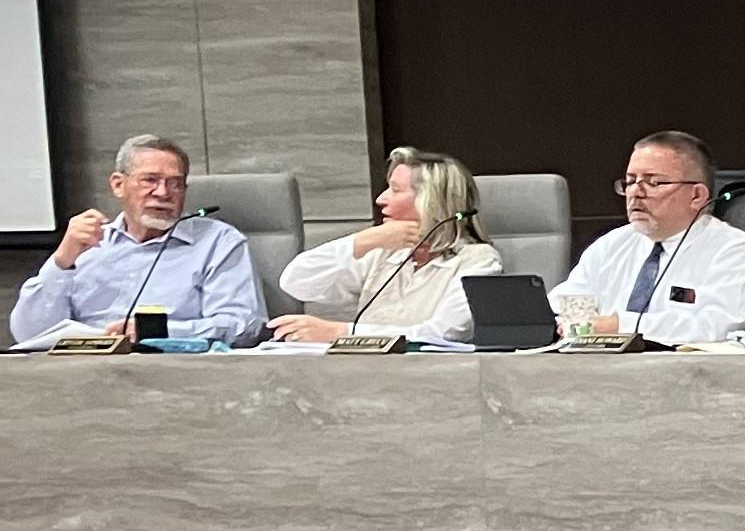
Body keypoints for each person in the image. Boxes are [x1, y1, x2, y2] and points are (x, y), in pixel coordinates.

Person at [12, 135, 260, 346]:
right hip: (83, 370)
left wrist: (155, 331)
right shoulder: (87, 244)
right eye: (150, 180)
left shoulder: (217, 242)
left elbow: (243, 325)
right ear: (118, 185)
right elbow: (29, 335)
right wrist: (61, 262)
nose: (163, 193)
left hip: (175, 368)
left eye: (175, 184)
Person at [550, 131, 745, 344]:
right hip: (604, 368)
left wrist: (621, 325)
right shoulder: (612, 244)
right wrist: (563, 321)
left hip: (698, 370)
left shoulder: (733, 250)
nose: (635, 193)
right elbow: (568, 300)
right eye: (630, 181)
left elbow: (717, 327)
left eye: (654, 182)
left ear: (696, 195)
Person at [268, 146, 506, 344]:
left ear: (432, 202)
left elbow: (443, 334)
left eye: (395, 190)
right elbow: (295, 282)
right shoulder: (384, 251)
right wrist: (363, 240)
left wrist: (341, 332)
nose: (380, 199)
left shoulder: (479, 260)